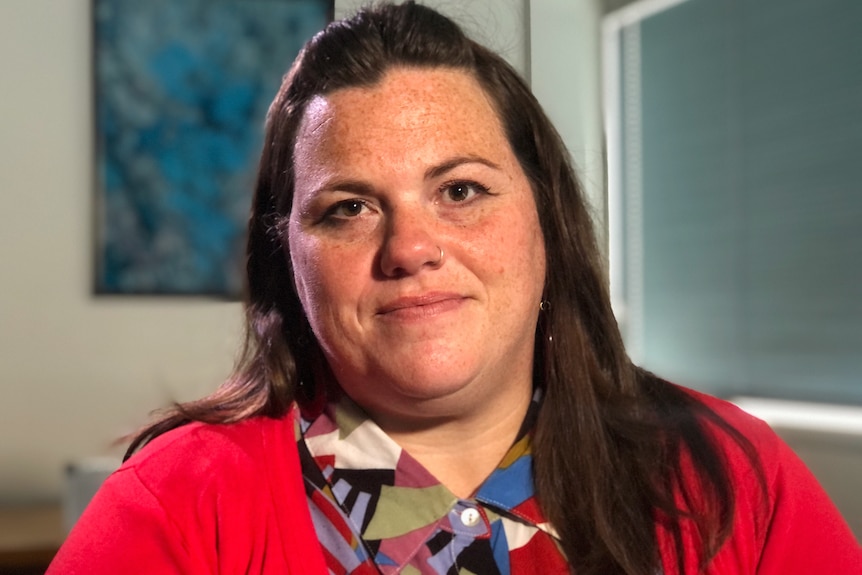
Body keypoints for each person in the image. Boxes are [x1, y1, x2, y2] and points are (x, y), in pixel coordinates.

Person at [48, 2, 860, 574]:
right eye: (349, 208)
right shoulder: (173, 513)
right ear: (287, 259)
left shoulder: (736, 476)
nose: (410, 248)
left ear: (546, 218)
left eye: (461, 190)